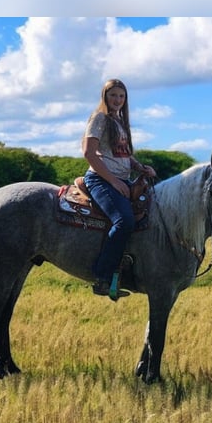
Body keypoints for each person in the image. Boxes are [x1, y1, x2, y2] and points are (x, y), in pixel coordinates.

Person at [82, 78, 156, 300]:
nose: (117, 100)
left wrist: (140, 167)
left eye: (121, 96)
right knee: (124, 221)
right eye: (113, 95)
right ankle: (102, 276)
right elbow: (88, 152)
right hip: (100, 179)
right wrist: (113, 182)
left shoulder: (119, 122)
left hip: (122, 180)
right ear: (105, 96)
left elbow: (123, 153)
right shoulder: (100, 118)